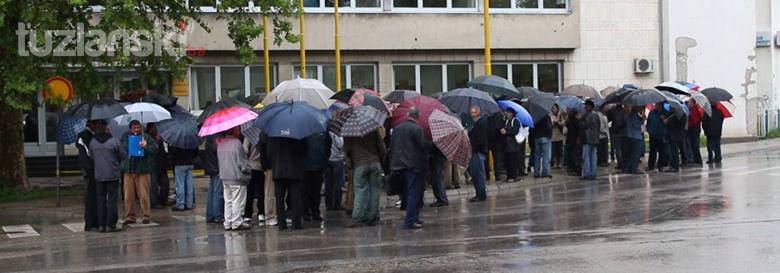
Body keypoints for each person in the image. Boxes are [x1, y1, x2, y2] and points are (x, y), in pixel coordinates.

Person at [389, 107, 429, 229]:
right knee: (414, 194)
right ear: (418, 116)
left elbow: (392, 145)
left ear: (408, 114)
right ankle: (410, 220)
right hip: (413, 166)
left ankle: (414, 218)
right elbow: (423, 146)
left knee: (406, 193)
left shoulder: (397, 128)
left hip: (398, 165)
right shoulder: (417, 129)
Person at [343, 129, 386, 227]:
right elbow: (382, 148)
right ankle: (373, 217)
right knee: (375, 191)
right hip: (375, 163)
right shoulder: (373, 130)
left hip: (360, 164)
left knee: (360, 191)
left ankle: (358, 218)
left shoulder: (349, 133)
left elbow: (346, 151)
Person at [264, 136, 308, 230]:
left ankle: (281, 224)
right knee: (295, 198)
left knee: (279, 199)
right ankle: (296, 223)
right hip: (294, 169)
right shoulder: (298, 131)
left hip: (278, 169)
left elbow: (268, 151)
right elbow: (304, 150)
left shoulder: (272, 133)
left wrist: (270, 164)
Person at [89, 121, 126, 233]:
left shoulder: (93, 142)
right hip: (112, 174)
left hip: (99, 174)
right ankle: (111, 224)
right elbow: (123, 155)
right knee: (112, 200)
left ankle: (101, 224)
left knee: (100, 199)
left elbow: (91, 156)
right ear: (106, 129)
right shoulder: (114, 141)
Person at [120, 120, 158, 225]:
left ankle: (146, 215)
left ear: (141, 127)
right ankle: (130, 216)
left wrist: (145, 147)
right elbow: (122, 149)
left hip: (142, 170)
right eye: (134, 128)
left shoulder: (147, 137)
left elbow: (154, 149)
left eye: (138, 127)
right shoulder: (125, 137)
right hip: (129, 169)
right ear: (130, 129)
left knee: (144, 194)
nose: (136, 130)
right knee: (128, 195)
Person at [217, 127, 251, 231]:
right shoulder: (236, 143)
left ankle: (228, 222)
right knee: (238, 200)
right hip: (236, 177)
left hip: (225, 176)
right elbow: (243, 163)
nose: (239, 132)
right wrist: (248, 169)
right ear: (234, 131)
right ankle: (237, 222)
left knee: (228, 201)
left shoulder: (221, 143)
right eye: (238, 130)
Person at [76, 120, 99, 231]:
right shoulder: (85, 136)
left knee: (93, 196)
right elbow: (90, 153)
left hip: (90, 168)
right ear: (91, 125)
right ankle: (90, 223)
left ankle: (94, 221)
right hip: (89, 169)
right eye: (96, 124)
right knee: (90, 196)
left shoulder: (89, 136)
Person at [303, 132, 330, 222]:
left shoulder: (303, 131)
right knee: (313, 191)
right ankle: (312, 212)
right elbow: (328, 146)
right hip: (314, 165)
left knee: (309, 191)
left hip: (309, 165)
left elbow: (328, 145)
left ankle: (309, 212)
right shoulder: (322, 130)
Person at [466, 106, 489, 202]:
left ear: (478, 112)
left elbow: (479, 139)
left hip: (477, 151)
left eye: (474, 112)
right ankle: (479, 194)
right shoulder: (476, 123)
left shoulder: (481, 123)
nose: (473, 114)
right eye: (471, 112)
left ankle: (481, 195)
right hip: (476, 151)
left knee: (478, 174)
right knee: (476, 174)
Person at [146, 123, 170, 208]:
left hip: (162, 165)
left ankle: (162, 200)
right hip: (153, 165)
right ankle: (154, 202)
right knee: (153, 186)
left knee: (165, 184)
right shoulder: (147, 139)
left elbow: (165, 151)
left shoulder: (161, 139)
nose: (155, 129)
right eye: (153, 128)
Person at [242, 137, 265, 225]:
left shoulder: (249, 137)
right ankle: (261, 213)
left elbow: (244, 152)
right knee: (261, 192)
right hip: (261, 168)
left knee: (249, 192)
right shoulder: (264, 134)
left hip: (251, 167)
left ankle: (248, 214)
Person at [169, 145, 198, 211]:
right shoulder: (192, 140)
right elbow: (196, 153)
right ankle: (189, 204)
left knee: (180, 185)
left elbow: (173, 152)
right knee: (189, 185)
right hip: (190, 163)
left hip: (179, 163)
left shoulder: (177, 140)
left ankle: (180, 204)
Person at [203, 135, 224, 224]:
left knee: (211, 192)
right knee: (217, 193)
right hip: (217, 168)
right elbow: (218, 153)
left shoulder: (208, 139)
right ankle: (218, 215)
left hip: (211, 168)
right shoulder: (216, 139)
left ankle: (210, 214)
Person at [325, 130, 345, 211]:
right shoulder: (335, 132)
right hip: (336, 159)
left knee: (328, 183)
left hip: (327, 159)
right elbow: (340, 145)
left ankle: (328, 203)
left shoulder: (326, 131)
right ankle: (337, 203)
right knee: (338, 183)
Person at [581, 100, 601, 180]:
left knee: (586, 156)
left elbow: (585, 126)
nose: (585, 107)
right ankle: (593, 173)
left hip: (588, 138)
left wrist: (580, 119)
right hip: (595, 139)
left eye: (586, 106)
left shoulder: (589, 115)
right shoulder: (596, 115)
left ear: (590, 106)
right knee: (593, 156)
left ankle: (587, 173)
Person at [500, 108, 521, 182]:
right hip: (506, 145)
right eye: (506, 112)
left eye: (508, 112)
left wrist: (506, 131)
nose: (507, 114)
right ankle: (509, 176)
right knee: (507, 162)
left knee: (513, 161)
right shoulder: (506, 121)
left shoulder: (515, 121)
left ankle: (513, 176)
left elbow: (515, 131)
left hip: (513, 146)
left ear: (512, 113)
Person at [646, 103, 668, 172]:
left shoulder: (666, 112)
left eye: (658, 104)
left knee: (662, 151)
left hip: (662, 134)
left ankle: (660, 165)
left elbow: (667, 123)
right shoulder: (652, 112)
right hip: (653, 134)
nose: (656, 105)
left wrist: (664, 119)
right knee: (652, 151)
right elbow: (649, 122)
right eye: (656, 104)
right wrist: (649, 130)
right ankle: (651, 165)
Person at [664, 107, 687, 172]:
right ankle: (674, 165)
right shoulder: (682, 114)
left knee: (674, 151)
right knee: (674, 151)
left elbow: (673, 124)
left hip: (673, 135)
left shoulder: (675, 115)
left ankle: (675, 166)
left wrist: (667, 121)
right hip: (678, 135)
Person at [625, 106, 645, 174]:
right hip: (636, 136)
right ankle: (634, 169)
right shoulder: (634, 115)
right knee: (636, 154)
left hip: (630, 136)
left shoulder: (629, 115)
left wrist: (641, 117)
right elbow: (636, 125)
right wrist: (643, 120)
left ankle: (630, 168)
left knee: (631, 154)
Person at [533, 113, 553, 178]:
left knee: (537, 156)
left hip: (537, 137)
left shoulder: (535, 116)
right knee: (546, 156)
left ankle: (536, 172)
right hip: (545, 137)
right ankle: (545, 172)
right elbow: (549, 128)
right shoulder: (546, 116)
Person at [607, 104, 627, 170]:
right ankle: (624, 164)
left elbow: (608, 119)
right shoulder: (625, 111)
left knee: (618, 149)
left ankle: (620, 164)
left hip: (616, 132)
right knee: (623, 149)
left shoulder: (613, 111)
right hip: (623, 132)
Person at [564, 108, 582, 176]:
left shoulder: (576, 120)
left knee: (575, 155)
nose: (567, 110)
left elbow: (578, 130)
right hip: (571, 139)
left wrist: (578, 138)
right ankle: (574, 168)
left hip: (574, 140)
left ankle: (577, 170)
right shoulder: (570, 119)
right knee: (572, 155)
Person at [687, 99, 704, 165]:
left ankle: (697, 161)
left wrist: (689, 124)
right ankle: (697, 160)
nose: (688, 104)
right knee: (694, 146)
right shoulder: (693, 109)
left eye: (689, 102)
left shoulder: (694, 110)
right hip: (695, 129)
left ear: (692, 103)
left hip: (694, 130)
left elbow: (694, 121)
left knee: (694, 146)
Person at [551, 104, 565, 168]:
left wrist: (558, 123)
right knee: (554, 151)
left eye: (555, 108)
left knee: (560, 151)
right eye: (553, 108)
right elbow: (550, 124)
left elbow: (563, 123)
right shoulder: (551, 116)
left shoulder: (560, 115)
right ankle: (555, 163)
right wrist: (554, 123)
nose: (554, 109)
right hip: (553, 136)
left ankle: (560, 164)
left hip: (560, 136)